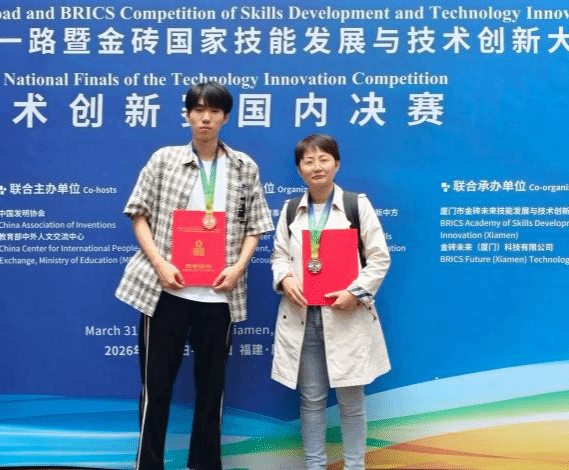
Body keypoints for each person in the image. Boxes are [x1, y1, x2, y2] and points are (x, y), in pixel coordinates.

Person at [116, 82, 274, 470]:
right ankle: (148, 465)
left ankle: (204, 464)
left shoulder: (244, 167)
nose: (205, 118)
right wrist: (160, 264)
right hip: (166, 291)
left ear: (226, 117)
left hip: (219, 296)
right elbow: (138, 214)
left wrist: (237, 268)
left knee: (211, 389)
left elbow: (256, 226)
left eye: (214, 111)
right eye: (198, 110)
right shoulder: (164, 159)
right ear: (186, 115)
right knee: (156, 387)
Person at [270, 133, 391, 470]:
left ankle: (354, 466)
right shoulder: (291, 209)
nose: (317, 167)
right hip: (303, 317)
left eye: (324, 159)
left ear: (336, 164)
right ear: (299, 169)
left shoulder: (356, 205)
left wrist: (356, 292)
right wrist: (285, 278)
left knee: (351, 403)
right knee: (311, 401)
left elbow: (379, 258)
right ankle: (315, 465)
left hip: (346, 316)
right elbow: (278, 255)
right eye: (308, 161)